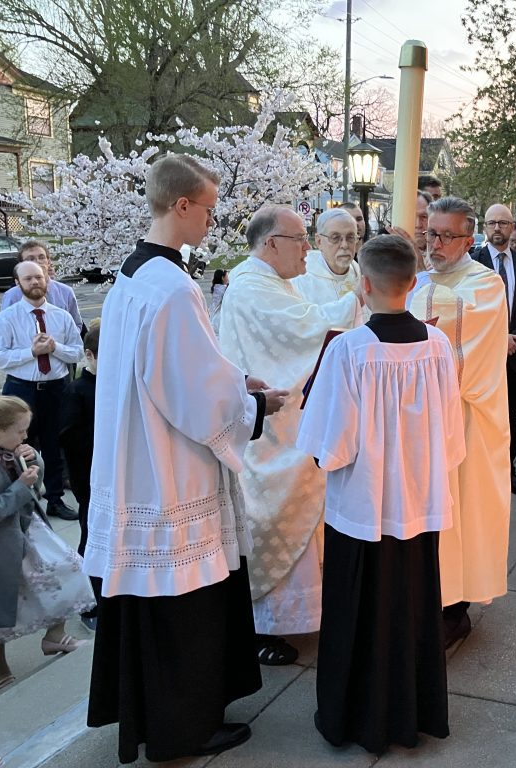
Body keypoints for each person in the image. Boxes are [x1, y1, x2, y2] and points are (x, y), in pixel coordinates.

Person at [83, 154, 289, 764]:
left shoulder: (133, 274)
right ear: (181, 205)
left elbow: (177, 365)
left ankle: (160, 717)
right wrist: (254, 405)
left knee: (155, 601)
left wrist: (236, 381)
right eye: (207, 209)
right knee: (183, 600)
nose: (211, 221)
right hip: (168, 467)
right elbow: (193, 396)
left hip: (135, 458)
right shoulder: (172, 287)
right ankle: (183, 729)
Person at [298, 234, 464, 753]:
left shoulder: (348, 350)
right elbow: (451, 437)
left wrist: (325, 456)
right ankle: (411, 713)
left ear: (364, 286)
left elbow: (332, 447)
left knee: (359, 612)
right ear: (413, 284)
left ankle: (355, 718)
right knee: (413, 609)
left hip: (362, 510)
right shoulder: (438, 346)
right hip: (419, 506)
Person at [220, 204, 362, 666]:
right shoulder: (251, 287)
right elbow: (304, 330)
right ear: (271, 243)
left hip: (286, 424)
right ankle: (265, 627)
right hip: (270, 433)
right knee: (273, 515)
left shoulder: (272, 282)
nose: (307, 249)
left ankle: (294, 618)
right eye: (301, 239)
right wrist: (360, 298)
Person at [408, 196, 511, 647]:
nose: (434, 243)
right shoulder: (418, 281)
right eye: (430, 233)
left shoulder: (484, 284)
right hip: (420, 419)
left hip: (467, 418)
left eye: (446, 236)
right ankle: (426, 596)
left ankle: (455, 608)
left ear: (470, 240)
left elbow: (461, 337)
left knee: (462, 510)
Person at [0, 396, 93, 693]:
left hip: (26, 529)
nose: (25, 436)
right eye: (21, 431)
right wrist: (21, 485)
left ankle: (55, 635)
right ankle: (0, 670)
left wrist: (34, 459)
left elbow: (33, 484)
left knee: (69, 568)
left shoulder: (8, 449)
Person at [0, 260, 83, 521]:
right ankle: (24, 501)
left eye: (39, 277)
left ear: (46, 279)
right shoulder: (7, 318)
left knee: (54, 445)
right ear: (18, 283)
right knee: (18, 446)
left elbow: (77, 351)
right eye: (28, 279)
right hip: (21, 389)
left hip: (56, 389)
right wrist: (30, 352)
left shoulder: (61, 316)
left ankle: (55, 500)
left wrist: (55, 348)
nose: (35, 282)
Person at [474, 204, 516, 497]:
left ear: (513, 227)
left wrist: (515, 339)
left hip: (514, 354)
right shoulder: (471, 262)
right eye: (492, 223)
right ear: (484, 227)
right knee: (480, 417)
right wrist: (497, 338)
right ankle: (479, 476)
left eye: (503, 223)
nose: (497, 228)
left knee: (508, 416)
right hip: (481, 356)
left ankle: (507, 473)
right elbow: (469, 309)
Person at [59, 319, 102, 631]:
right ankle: (89, 602)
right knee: (91, 533)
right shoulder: (76, 391)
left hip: (113, 476)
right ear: (89, 355)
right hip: (88, 476)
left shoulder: (115, 383)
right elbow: (69, 436)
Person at [1, 240, 84, 335]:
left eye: (41, 257)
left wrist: (63, 340)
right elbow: (5, 329)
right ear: (21, 264)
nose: (37, 262)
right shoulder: (12, 296)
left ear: (48, 261)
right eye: (30, 259)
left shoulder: (65, 292)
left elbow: (76, 324)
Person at [293, 208, 363, 305]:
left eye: (350, 237)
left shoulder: (359, 272)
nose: (344, 245)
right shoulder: (300, 280)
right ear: (319, 241)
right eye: (335, 238)